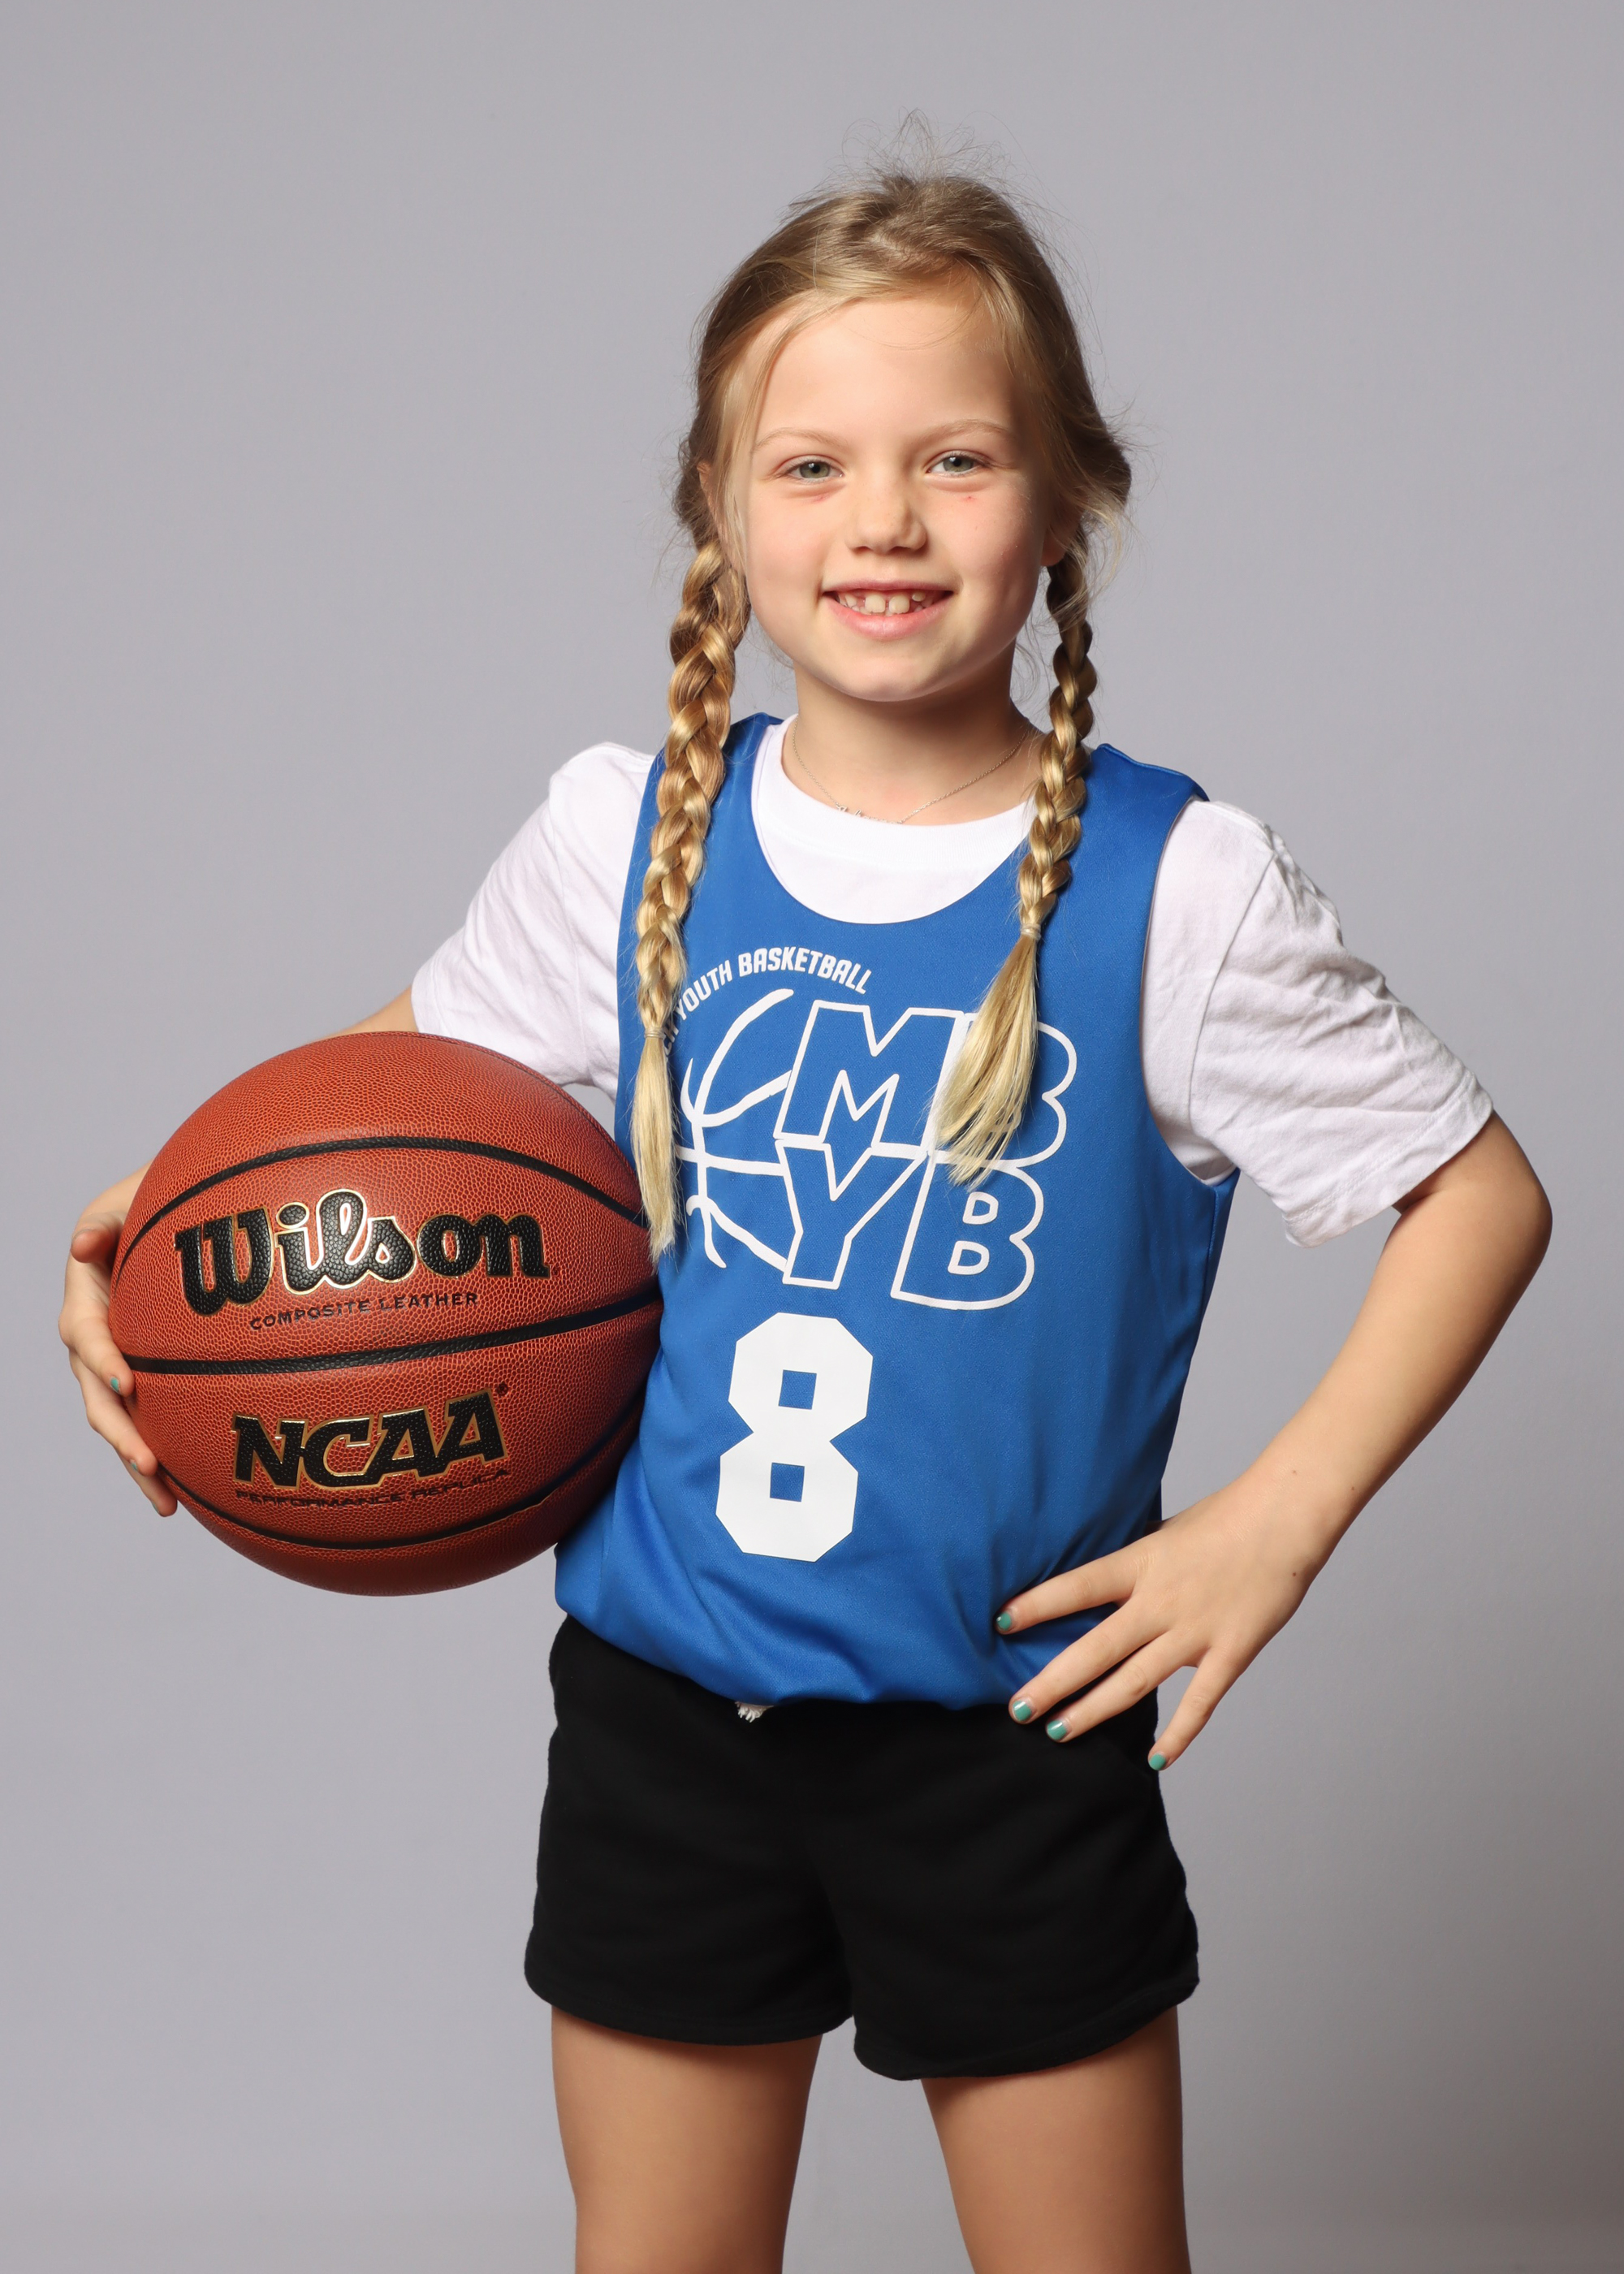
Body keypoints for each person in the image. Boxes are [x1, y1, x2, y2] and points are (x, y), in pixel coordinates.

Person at [59, 163, 1551, 2274]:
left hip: (1013, 1737)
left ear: (1067, 500)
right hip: (668, 1726)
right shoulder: (625, 839)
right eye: (814, 463)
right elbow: (374, 1119)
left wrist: (1272, 1527)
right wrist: (167, 1243)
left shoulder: (1174, 890)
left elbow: (1477, 1197)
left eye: (959, 459)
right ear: (720, 506)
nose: (886, 521)